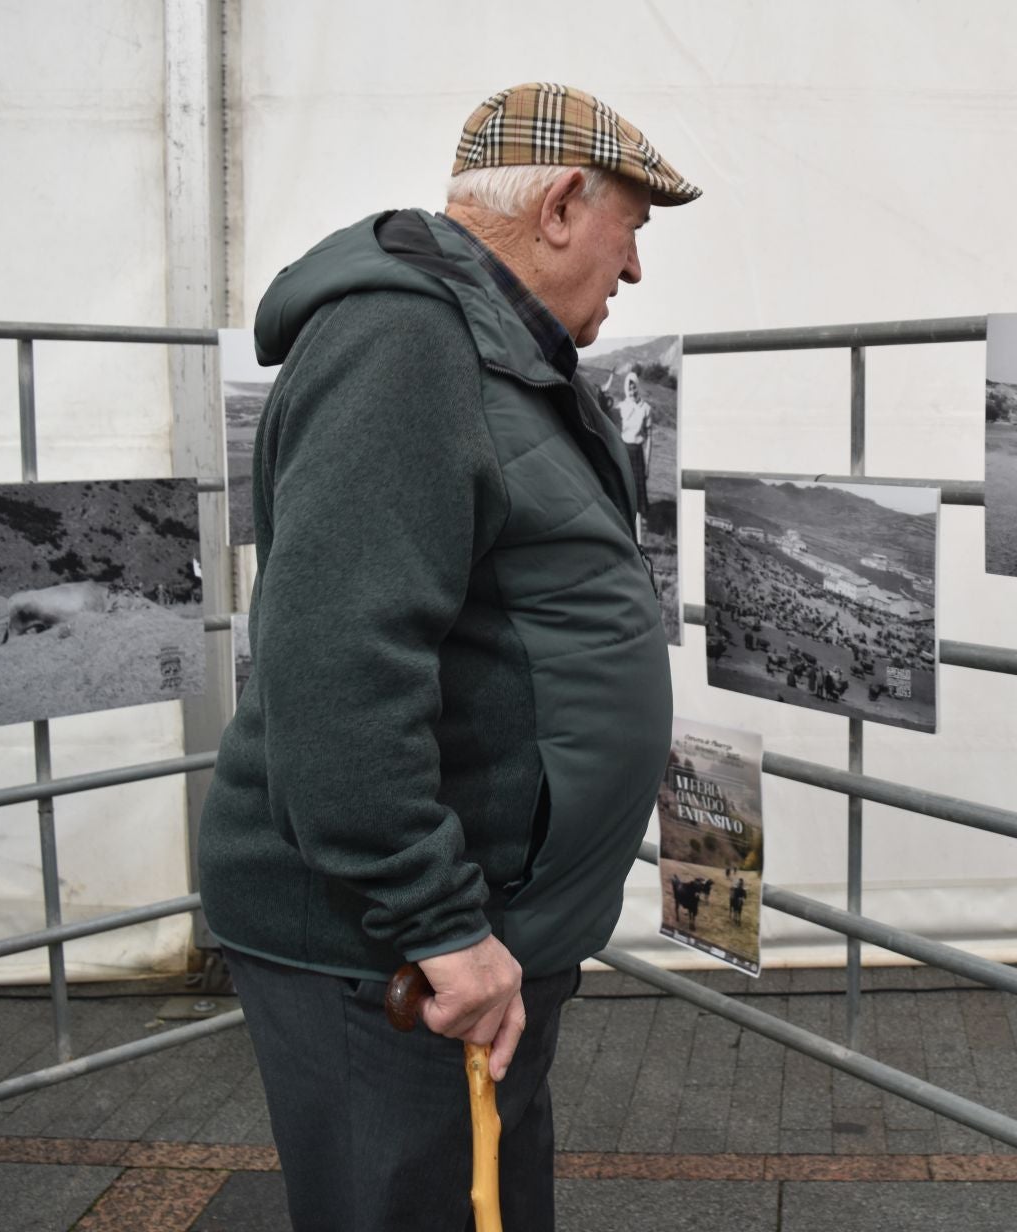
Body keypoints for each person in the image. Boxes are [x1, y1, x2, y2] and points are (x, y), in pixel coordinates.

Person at [197, 82, 700, 1232]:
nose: (632, 272)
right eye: (635, 227)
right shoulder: (406, 345)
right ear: (565, 203)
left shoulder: (481, 348)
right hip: (397, 953)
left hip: (465, 939)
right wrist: (442, 925)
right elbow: (337, 668)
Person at [617, 369, 653, 536]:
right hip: (623, 452)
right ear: (626, 389)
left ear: (638, 387)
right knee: (622, 495)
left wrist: (647, 465)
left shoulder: (646, 409)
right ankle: (623, 535)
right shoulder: (621, 408)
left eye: (634, 388)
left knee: (637, 499)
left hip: (638, 454)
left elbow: (649, 439)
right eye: (629, 389)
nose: (632, 392)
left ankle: (639, 542)